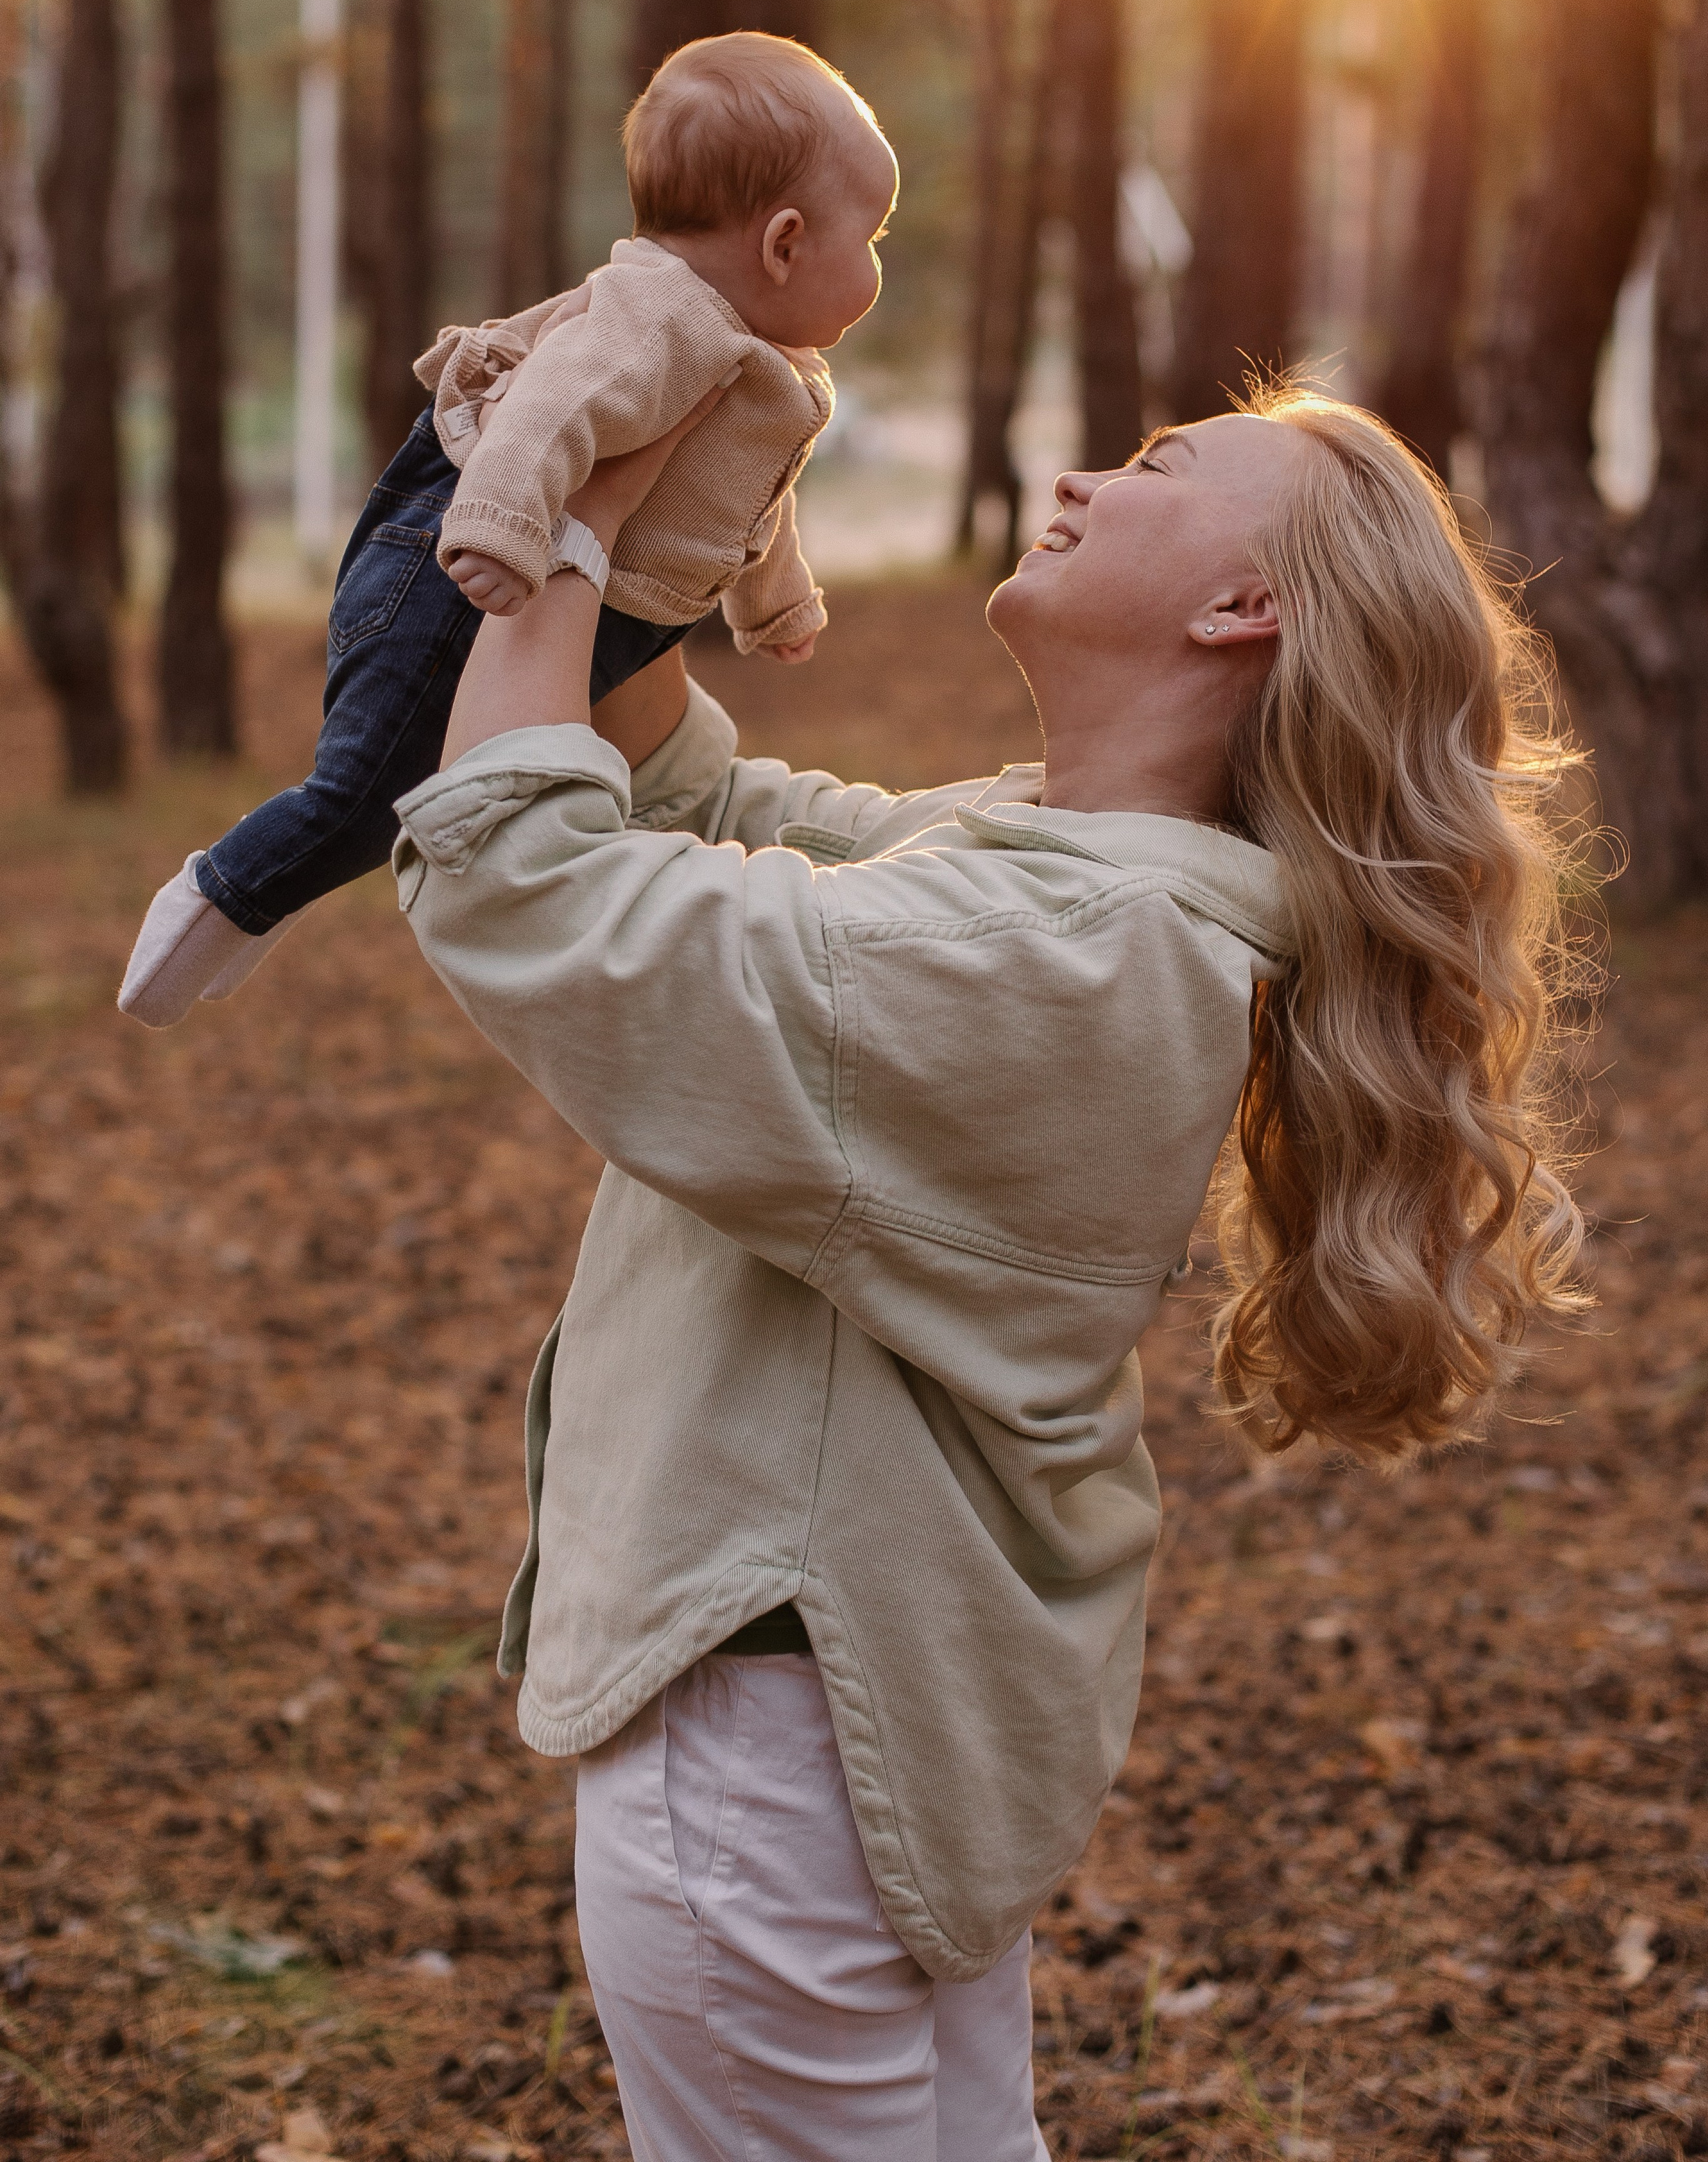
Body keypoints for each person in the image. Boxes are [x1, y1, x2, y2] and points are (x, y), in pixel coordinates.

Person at [389, 386, 1588, 2161]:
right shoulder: (1076, 870)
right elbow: (703, 799)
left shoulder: (1066, 952)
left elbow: (526, 882)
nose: (1087, 475)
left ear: (1240, 610)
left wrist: (552, 507)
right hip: (864, 1728)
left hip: (783, 1750)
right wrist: (662, 488)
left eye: (1162, 468)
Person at [117, 31, 897, 1029]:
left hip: (581, 587)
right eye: (872, 240)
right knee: (373, 784)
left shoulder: (756, 361)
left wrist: (774, 604)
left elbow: (746, 504)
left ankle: (260, 896)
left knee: (493, 796)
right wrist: (495, 530)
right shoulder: (658, 316)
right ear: (785, 244)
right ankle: (223, 896)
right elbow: (547, 411)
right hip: (471, 561)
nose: (876, 265)